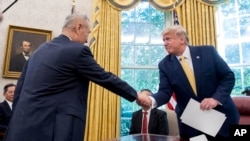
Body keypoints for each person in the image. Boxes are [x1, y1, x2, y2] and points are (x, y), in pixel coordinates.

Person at [3, 14, 141, 141]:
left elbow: (19, 90)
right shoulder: (77, 51)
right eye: (87, 33)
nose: (87, 39)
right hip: (55, 130)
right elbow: (104, 77)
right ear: (79, 27)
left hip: (21, 128)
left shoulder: (39, 51)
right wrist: (136, 95)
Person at [137, 25, 239, 140]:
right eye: (164, 40)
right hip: (194, 124)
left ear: (182, 39)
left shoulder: (208, 52)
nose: (165, 43)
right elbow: (165, 92)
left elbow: (228, 77)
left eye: (168, 39)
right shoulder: (164, 65)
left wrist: (215, 99)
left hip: (222, 119)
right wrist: (150, 100)